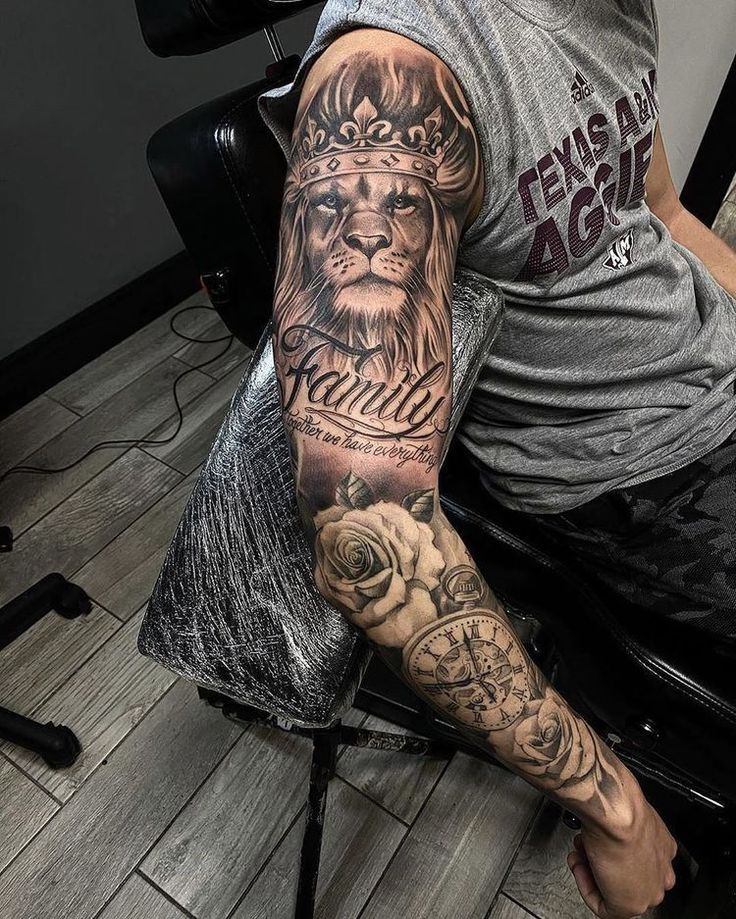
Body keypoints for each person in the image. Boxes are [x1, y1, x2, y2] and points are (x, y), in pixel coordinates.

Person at [258, 1, 736, 915]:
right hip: (635, 475)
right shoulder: (391, 83)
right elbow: (368, 526)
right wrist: (620, 813)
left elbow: (663, 211)